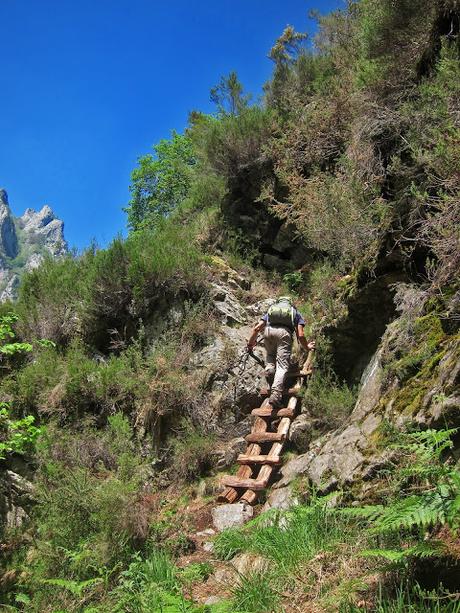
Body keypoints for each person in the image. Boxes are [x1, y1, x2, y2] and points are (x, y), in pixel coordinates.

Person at [246, 296, 315, 409]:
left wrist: (250, 344)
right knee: (282, 366)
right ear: (291, 304)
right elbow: (301, 335)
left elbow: (257, 328)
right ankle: (276, 395)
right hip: (283, 334)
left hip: (268, 332)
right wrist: (307, 347)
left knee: (271, 356)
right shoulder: (295, 313)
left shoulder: (271, 311)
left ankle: (270, 371)